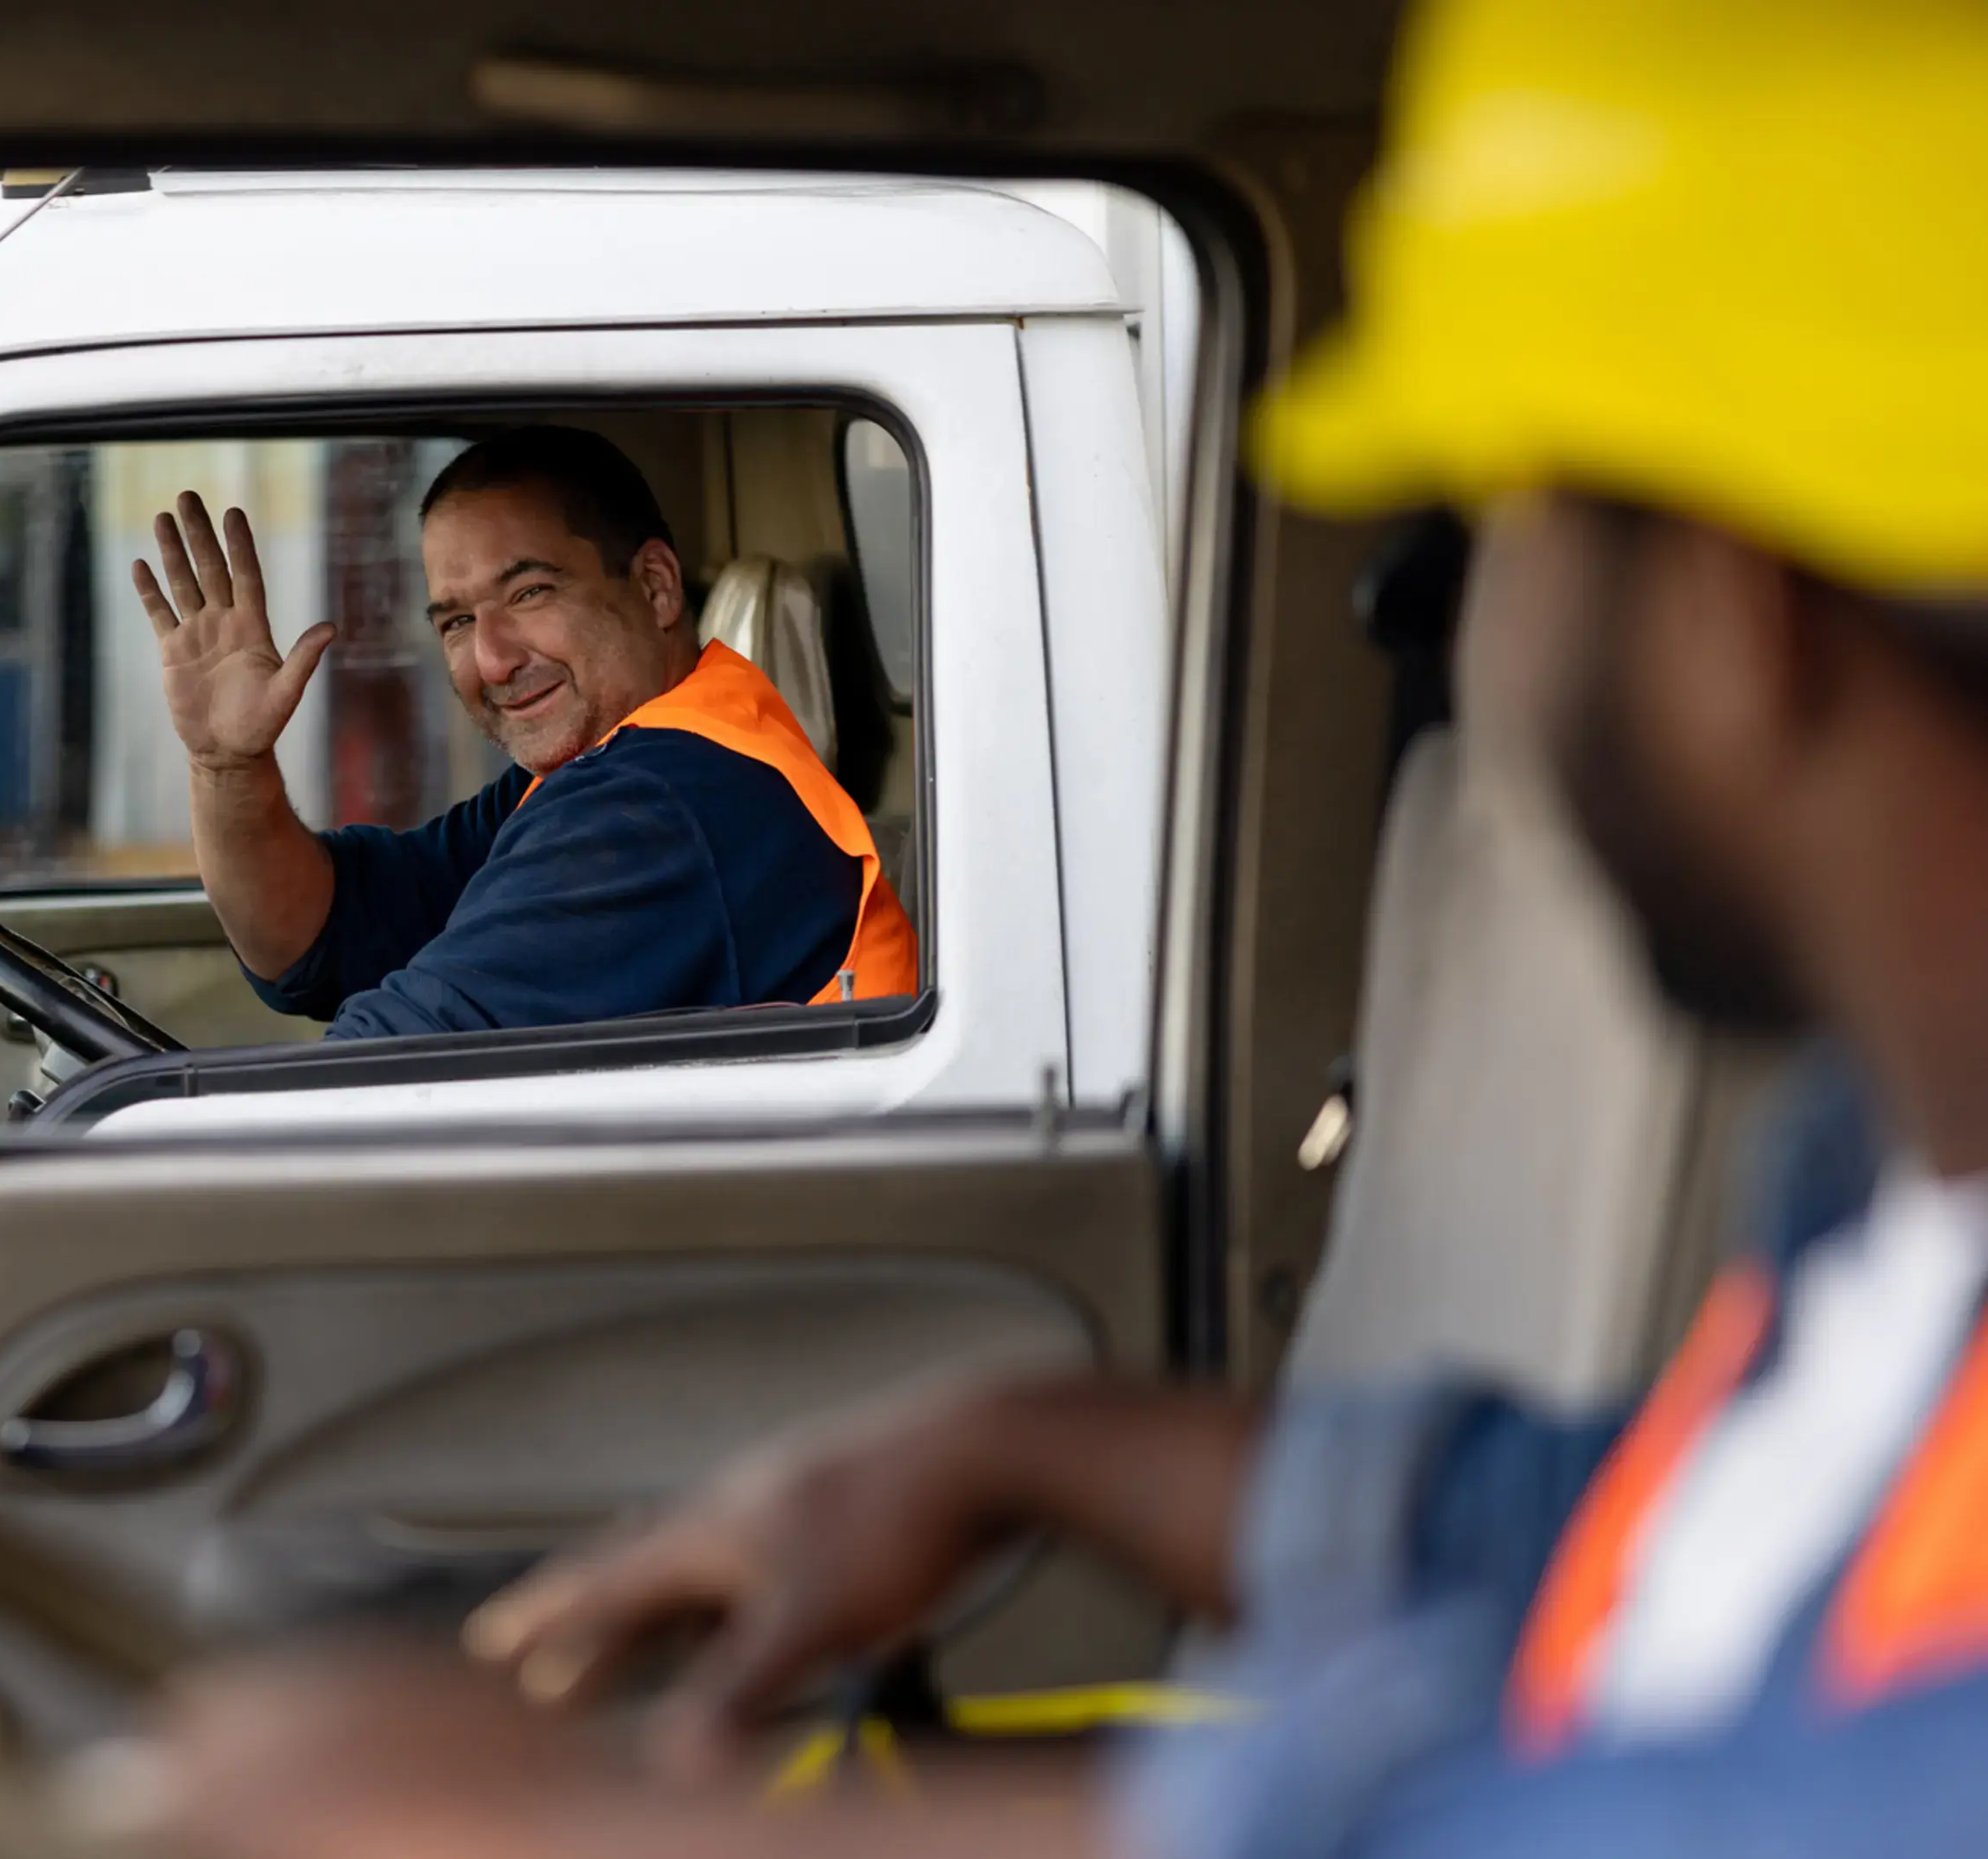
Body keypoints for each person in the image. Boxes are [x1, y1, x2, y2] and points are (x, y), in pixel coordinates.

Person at [118, 1, 1988, 1855]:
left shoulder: (677, 797)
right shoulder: (1884, 1199)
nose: (1461, 640)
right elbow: (1593, 1531)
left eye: (1505, 530)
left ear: (1743, 622)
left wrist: (561, 1827)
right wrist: (1011, 1445)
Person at [134, 425, 917, 1040]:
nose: (493, 658)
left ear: (655, 586)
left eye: (531, 591)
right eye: (458, 621)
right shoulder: (610, 769)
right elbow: (318, 936)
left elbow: (396, 1068)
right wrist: (227, 767)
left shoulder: (670, 802)